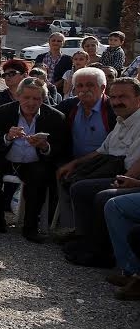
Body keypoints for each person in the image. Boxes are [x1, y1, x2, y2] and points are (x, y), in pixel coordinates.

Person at [57, 76, 140, 264]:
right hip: (116, 171)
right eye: (114, 97)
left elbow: (137, 162)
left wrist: (125, 181)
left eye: (123, 97)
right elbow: (102, 151)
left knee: (101, 194)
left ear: (138, 98)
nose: (117, 102)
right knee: (78, 185)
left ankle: (102, 251)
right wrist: (74, 163)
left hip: (131, 178)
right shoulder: (122, 120)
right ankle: (86, 238)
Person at [0, 77, 68, 242]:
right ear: (18, 96)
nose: (31, 103)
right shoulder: (2, 112)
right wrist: (7, 137)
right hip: (6, 159)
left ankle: (30, 227)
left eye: (36, 98)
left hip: (34, 162)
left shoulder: (55, 117)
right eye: (26, 97)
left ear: (43, 99)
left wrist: (45, 147)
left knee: (40, 174)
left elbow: (61, 149)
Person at [57, 67, 115, 159]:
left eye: (90, 85)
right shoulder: (67, 106)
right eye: (80, 86)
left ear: (102, 88)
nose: (84, 89)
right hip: (70, 161)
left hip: (103, 164)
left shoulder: (114, 109)